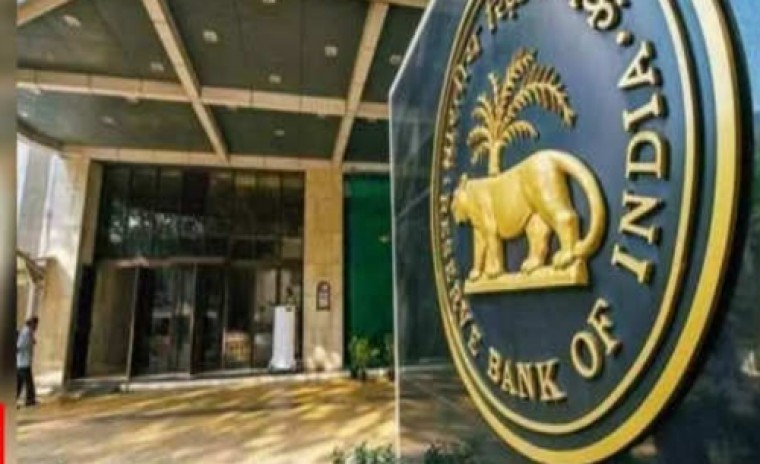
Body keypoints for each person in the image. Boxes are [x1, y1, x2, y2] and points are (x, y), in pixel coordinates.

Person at [17, 316, 39, 407]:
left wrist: (32, 341)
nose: (36, 327)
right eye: (36, 325)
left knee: (19, 383)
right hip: (24, 363)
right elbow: (20, 345)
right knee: (29, 383)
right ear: (32, 324)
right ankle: (30, 401)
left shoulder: (27, 332)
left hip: (21, 363)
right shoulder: (26, 332)